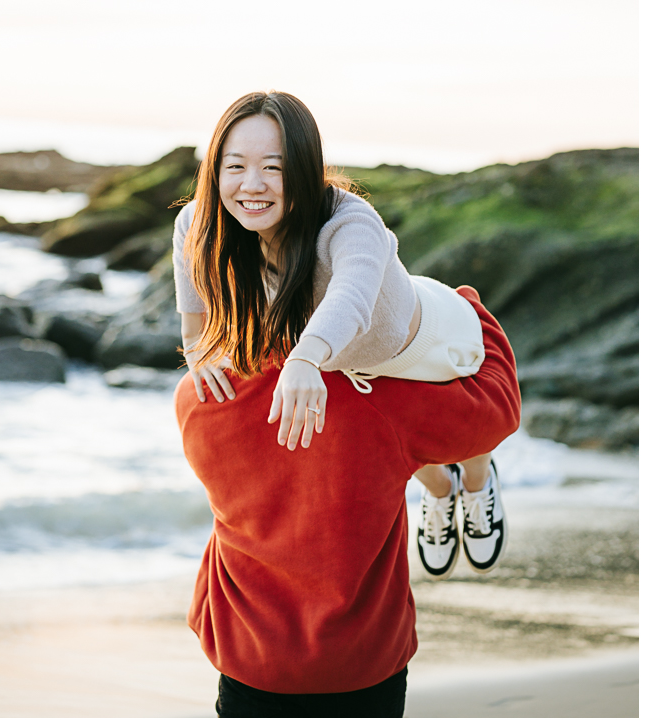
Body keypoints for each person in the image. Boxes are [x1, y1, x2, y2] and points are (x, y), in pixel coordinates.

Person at [173, 91, 521, 716]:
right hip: (334, 356)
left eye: (274, 167)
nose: (252, 184)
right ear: (213, 167)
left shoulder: (349, 221)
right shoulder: (198, 222)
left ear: (305, 170)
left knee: (459, 435)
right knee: (390, 441)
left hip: (418, 341)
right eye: (234, 164)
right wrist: (202, 355)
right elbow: (194, 299)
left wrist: (305, 361)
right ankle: (438, 491)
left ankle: (474, 478)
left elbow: (353, 296)